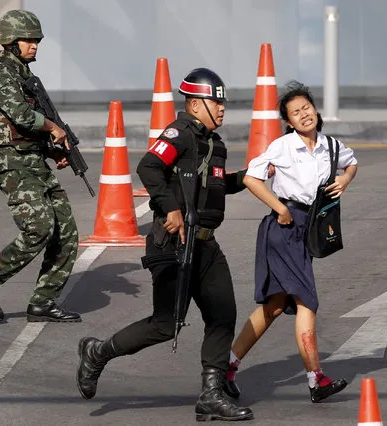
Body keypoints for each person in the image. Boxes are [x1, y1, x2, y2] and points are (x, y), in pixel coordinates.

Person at [76, 68, 254, 422]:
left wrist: (250, 177)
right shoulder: (179, 133)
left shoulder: (214, 143)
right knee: (165, 324)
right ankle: (98, 352)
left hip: (206, 245)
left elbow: (218, 186)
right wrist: (170, 207)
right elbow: (149, 167)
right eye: (215, 102)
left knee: (223, 316)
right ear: (194, 104)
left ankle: (211, 395)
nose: (222, 109)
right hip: (173, 243)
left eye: (223, 102)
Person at [224, 82, 358, 403]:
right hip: (282, 230)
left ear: (315, 109)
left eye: (306, 108)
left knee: (272, 308)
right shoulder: (282, 147)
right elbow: (251, 178)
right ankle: (316, 379)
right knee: (307, 301)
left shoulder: (331, 147)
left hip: (306, 230)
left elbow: (352, 163)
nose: (303, 115)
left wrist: (345, 179)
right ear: (288, 121)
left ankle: (225, 368)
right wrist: (279, 207)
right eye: (295, 113)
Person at [0, 9, 81, 323]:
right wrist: (52, 129)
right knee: (40, 227)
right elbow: (20, 115)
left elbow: (26, 127)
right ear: (10, 41)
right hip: (11, 161)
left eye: (36, 40)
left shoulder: (25, 75)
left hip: (31, 159)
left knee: (66, 232)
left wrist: (51, 149)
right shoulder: (1, 71)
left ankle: (43, 302)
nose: (34, 45)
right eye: (27, 39)